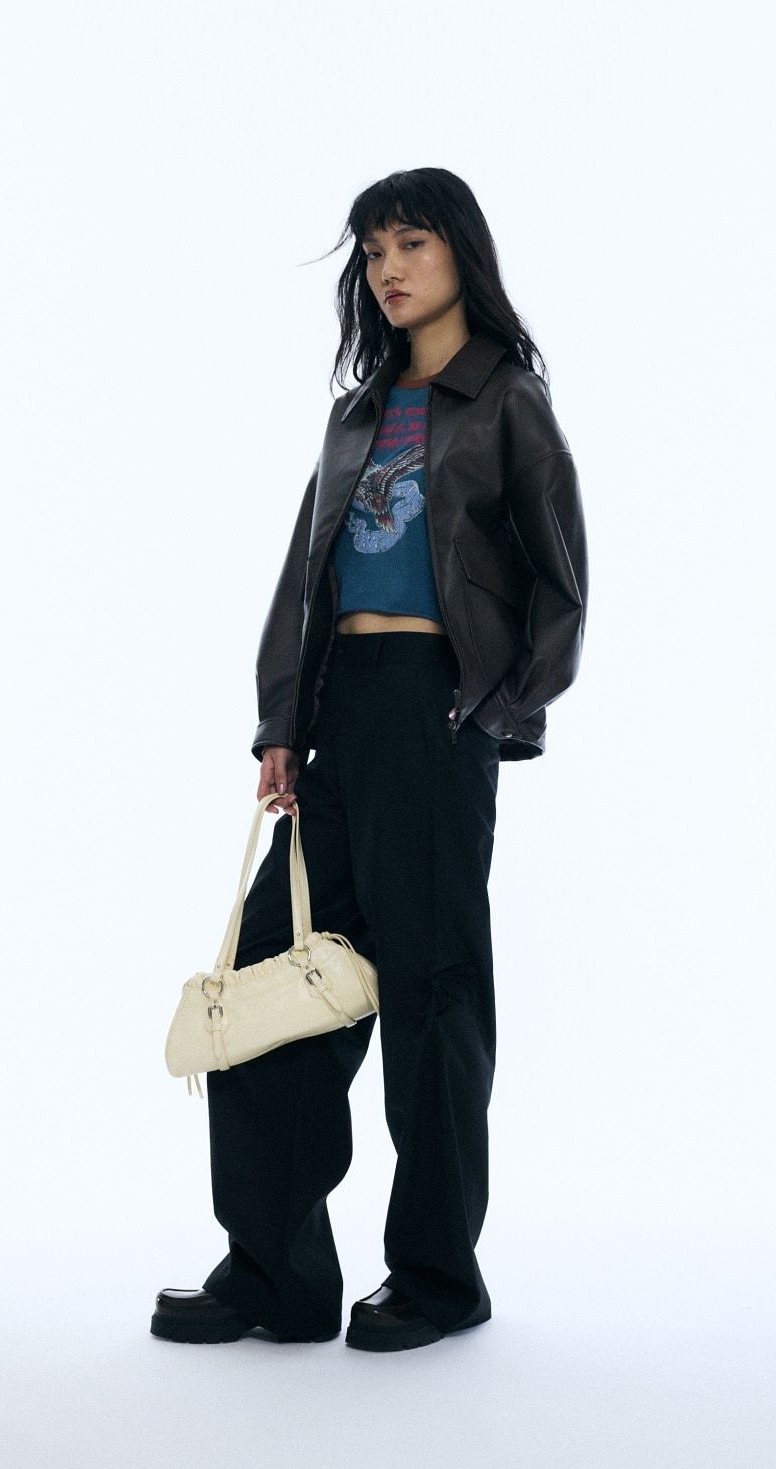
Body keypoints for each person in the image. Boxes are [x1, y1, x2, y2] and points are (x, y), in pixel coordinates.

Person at [151, 167, 588, 1353]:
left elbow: (559, 588)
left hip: (434, 713)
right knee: (266, 989)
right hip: (338, 713)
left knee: (431, 1003)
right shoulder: (357, 412)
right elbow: (304, 577)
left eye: (411, 243)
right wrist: (280, 724)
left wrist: (488, 714)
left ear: (461, 255)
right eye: (372, 250)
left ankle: (437, 1280)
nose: (388, 268)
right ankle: (275, 1276)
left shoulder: (505, 400)